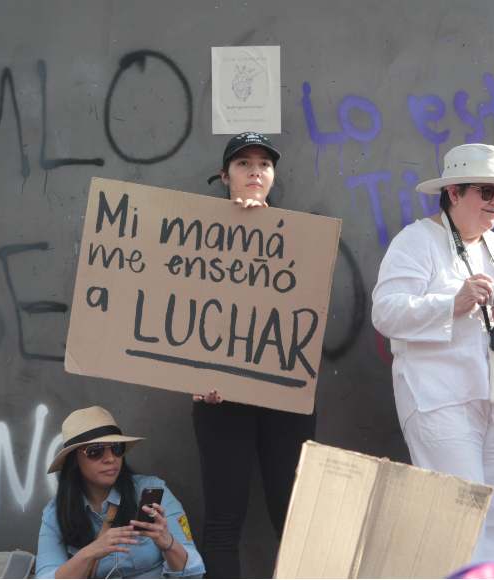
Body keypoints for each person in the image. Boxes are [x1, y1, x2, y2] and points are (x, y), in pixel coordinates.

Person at [372, 143, 494, 561]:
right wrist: (452, 304)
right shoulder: (416, 241)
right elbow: (385, 313)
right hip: (442, 399)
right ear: (453, 193)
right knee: (458, 517)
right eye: (485, 192)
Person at [192, 132, 316, 578]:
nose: (255, 171)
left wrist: (265, 233)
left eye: (263, 164)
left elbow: (307, 314)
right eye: (243, 164)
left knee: (294, 518)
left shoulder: (302, 238)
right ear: (225, 176)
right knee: (224, 519)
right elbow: (178, 313)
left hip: (284, 395)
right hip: (220, 397)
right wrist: (192, 375)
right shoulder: (193, 235)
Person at [36, 406, 205, 579]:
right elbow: (45, 576)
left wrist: (168, 543)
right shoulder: (56, 513)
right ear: (74, 460)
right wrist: (89, 553)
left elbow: (195, 572)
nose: (110, 459)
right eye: (95, 451)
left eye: (117, 448)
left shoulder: (151, 492)